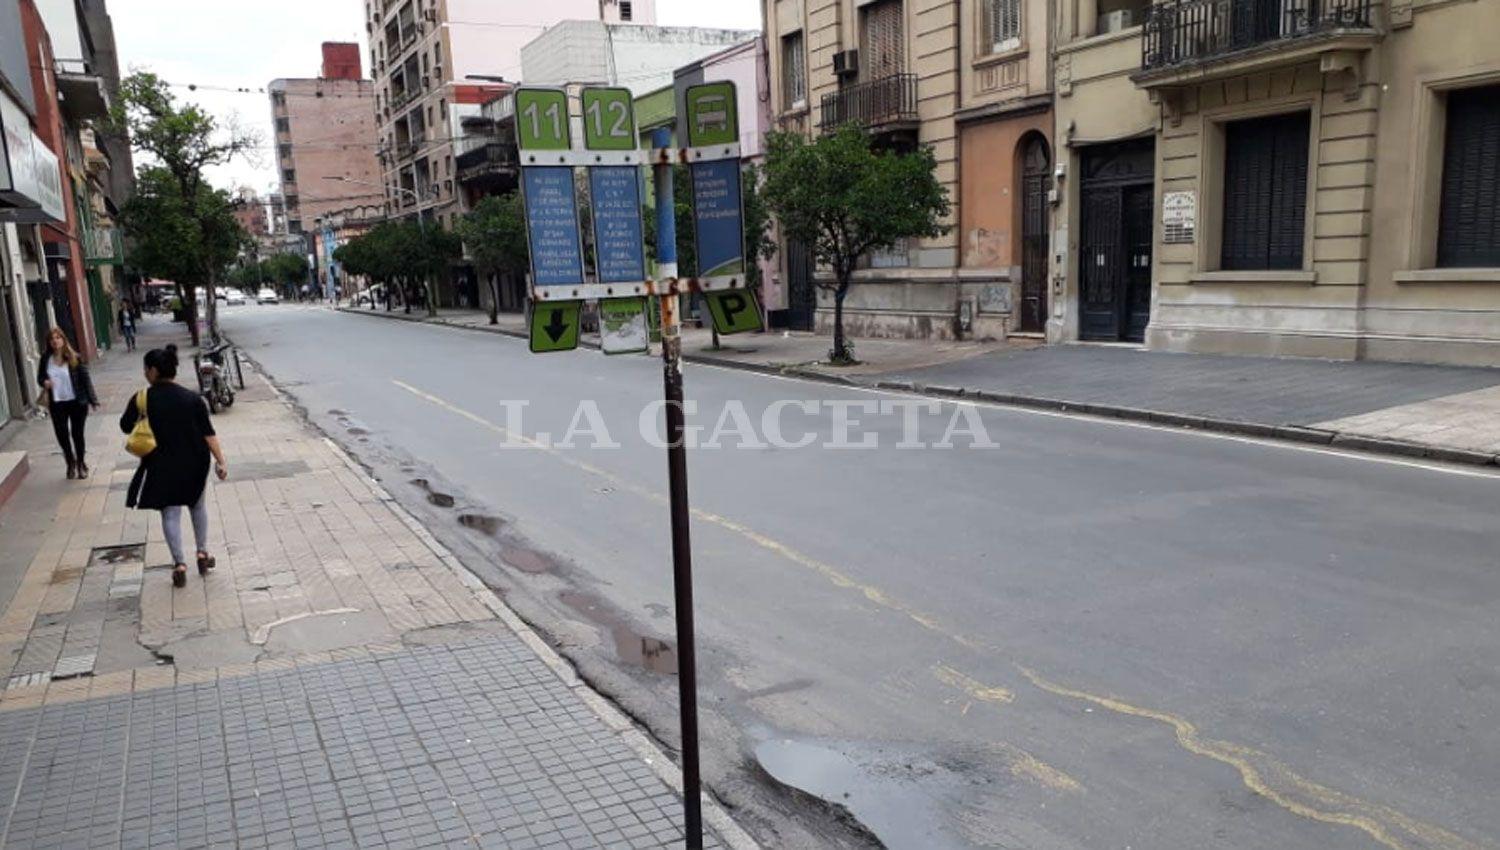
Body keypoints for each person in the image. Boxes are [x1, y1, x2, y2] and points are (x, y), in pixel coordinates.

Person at [120, 345, 228, 588]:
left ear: (154, 371)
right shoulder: (193, 399)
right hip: (194, 462)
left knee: (170, 512)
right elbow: (208, 434)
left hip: (161, 464)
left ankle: (179, 563)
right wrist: (220, 462)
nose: (145, 373)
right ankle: (202, 553)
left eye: (146, 369)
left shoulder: (142, 399)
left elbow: (126, 427)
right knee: (197, 505)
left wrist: (142, 416)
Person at [36, 328, 99, 479]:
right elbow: (40, 377)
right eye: (52, 339)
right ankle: (70, 462)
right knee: (62, 435)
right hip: (57, 403)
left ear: (63, 340)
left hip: (77, 402)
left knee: (78, 435)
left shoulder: (74, 357)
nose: (55, 341)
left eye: (58, 338)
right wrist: (44, 382)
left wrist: (93, 399)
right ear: (49, 342)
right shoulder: (45, 359)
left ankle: (81, 464)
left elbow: (85, 379)